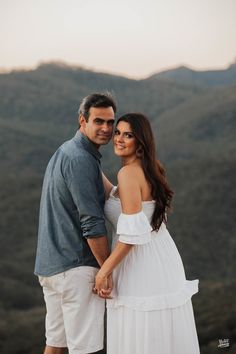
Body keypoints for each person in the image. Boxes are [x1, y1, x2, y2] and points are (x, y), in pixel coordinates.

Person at [95, 113, 200, 354]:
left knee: (141, 335)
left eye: (128, 135)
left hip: (142, 264)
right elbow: (118, 199)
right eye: (118, 133)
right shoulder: (145, 169)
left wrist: (104, 271)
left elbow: (132, 236)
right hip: (162, 258)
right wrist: (91, 162)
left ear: (140, 142)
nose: (119, 139)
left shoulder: (128, 174)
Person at [34, 93, 116, 354]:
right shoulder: (81, 159)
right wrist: (106, 269)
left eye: (110, 122)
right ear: (83, 120)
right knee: (85, 349)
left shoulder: (68, 151)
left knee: (55, 346)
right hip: (76, 269)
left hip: (50, 268)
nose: (106, 128)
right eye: (99, 121)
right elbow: (91, 222)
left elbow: (109, 191)